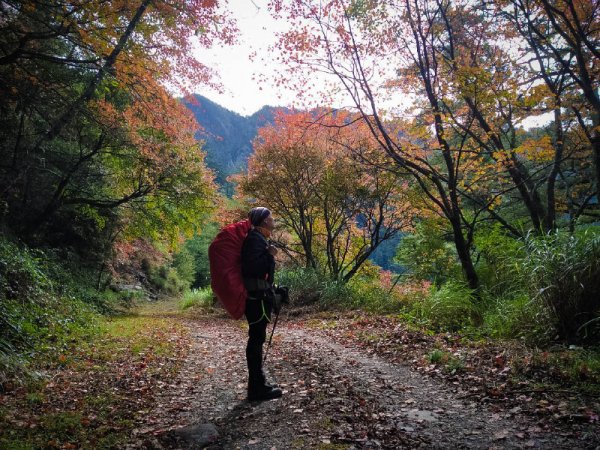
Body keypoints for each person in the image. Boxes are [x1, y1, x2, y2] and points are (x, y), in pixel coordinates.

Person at [241, 207, 283, 401]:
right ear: (265, 221)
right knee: (256, 339)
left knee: (257, 339)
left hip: (259, 296)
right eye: (271, 217)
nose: (274, 220)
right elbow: (253, 268)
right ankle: (256, 388)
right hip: (256, 299)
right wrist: (270, 255)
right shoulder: (254, 240)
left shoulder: (258, 239)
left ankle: (258, 383)